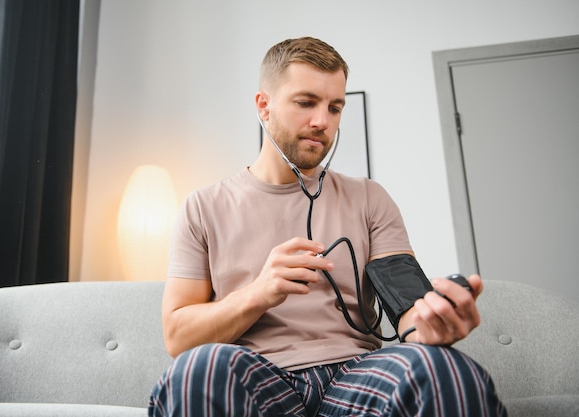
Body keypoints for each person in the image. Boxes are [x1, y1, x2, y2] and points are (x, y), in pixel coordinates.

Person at [149, 36, 507, 417]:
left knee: (444, 370)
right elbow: (178, 337)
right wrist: (260, 292)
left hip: (356, 376)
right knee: (194, 373)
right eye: (306, 103)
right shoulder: (202, 207)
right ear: (264, 106)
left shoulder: (370, 198)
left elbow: (408, 311)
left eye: (335, 107)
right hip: (256, 379)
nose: (323, 121)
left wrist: (430, 325)